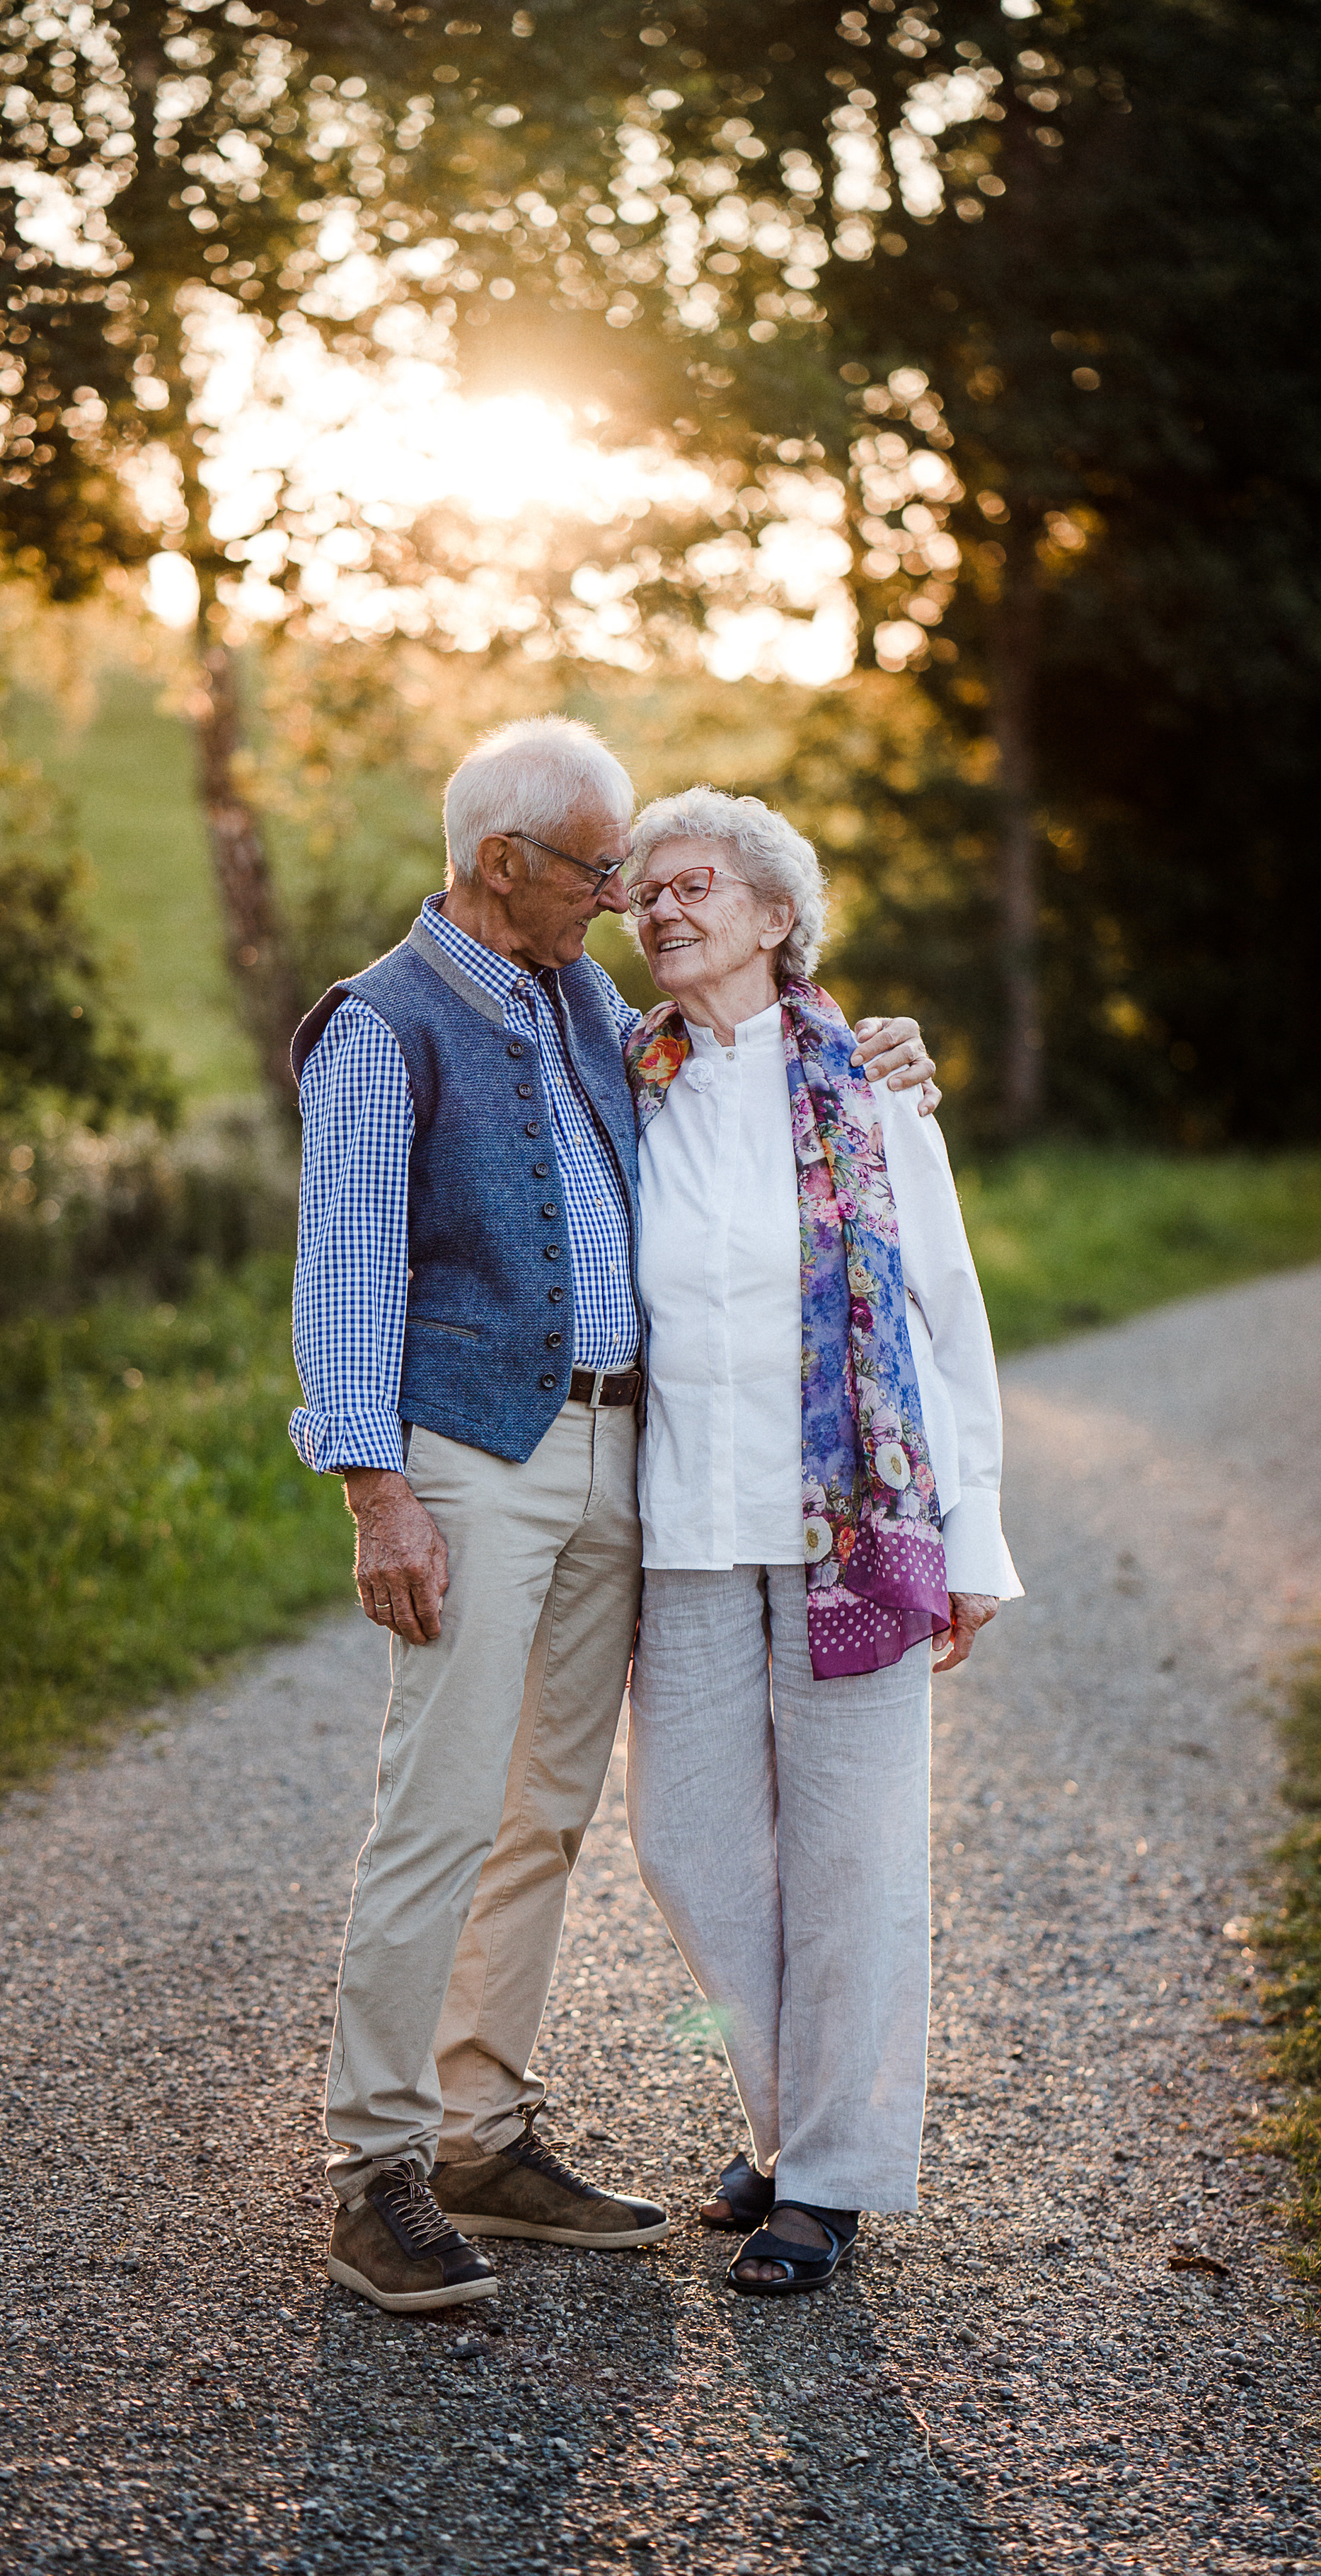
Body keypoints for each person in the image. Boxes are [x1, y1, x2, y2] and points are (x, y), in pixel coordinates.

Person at [289, 717, 939, 2314]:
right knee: (440, 1803)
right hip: (471, 1460)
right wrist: (377, 1494)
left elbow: (754, 1075)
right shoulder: (383, 1026)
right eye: (596, 869)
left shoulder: (587, 1003)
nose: (617, 897)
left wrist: (874, 1057)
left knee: (544, 1814)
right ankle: (375, 2165)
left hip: (616, 1461)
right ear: (502, 864)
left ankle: (480, 2132)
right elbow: (347, 1270)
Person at [619, 788, 1022, 2297]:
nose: (662, 909)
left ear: (776, 916)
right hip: (684, 1522)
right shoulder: (630, 1081)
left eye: (695, 885)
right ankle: (797, 2123)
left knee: (849, 1852)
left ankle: (827, 2185)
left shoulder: (869, 1081)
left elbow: (944, 1310)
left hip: (852, 1522)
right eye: (643, 893)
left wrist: (969, 1534)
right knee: (686, 1843)